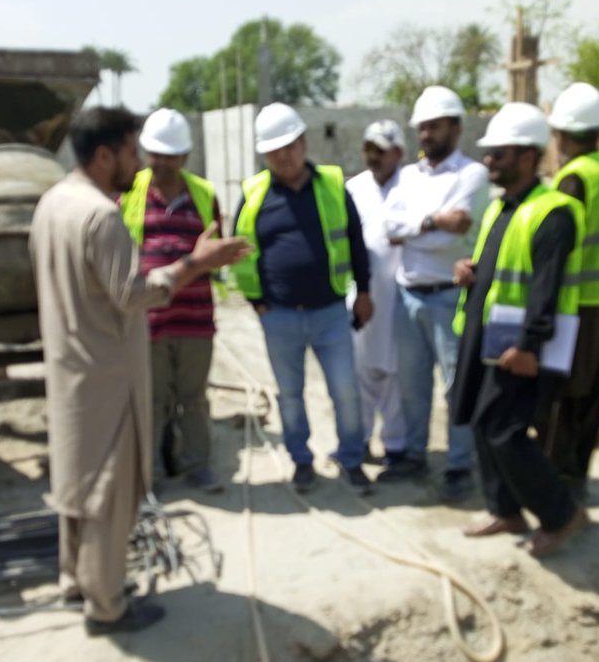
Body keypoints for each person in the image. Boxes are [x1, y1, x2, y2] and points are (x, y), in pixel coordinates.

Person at [29, 107, 248, 635]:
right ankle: (106, 605)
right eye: (132, 152)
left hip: (69, 367)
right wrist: (196, 264)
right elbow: (132, 294)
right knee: (111, 490)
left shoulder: (52, 203)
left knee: (78, 484)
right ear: (105, 155)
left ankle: (76, 580)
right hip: (106, 373)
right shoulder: (100, 215)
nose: (139, 163)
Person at [450, 103, 589, 557]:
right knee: (478, 421)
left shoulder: (553, 213)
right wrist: (473, 271)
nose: (489, 161)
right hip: (488, 337)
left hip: (522, 347)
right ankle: (504, 508)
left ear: (528, 157)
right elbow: (503, 265)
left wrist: (530, 345)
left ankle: (561, 514)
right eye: (490, 154)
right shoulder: (503, 207)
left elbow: (546, 287)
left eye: (500, 154)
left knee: (505, 432)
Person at [232, 103, 373, 495]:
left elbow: (356, 241)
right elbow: (240, 252)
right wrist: (257, 302)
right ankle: (302, 461)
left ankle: (351, 458)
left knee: (345, 389)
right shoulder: (254, 196)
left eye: (290, 146)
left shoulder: (331, 186)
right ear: (264, 154)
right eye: (275, 149)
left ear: (304, 142)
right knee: (290, 396)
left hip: (330, 312)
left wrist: (363, 290)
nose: (284, 155)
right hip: (279, 316)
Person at [380, 85, 489, 501]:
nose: (427, 134)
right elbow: (390, 229)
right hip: (408, 294)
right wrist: (431, 223)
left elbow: (458, 228)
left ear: (455, 128)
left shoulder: (471, 174)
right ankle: (413, 455)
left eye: (435, 125)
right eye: (422, 127)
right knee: (412, 384)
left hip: (449, 295)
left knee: (455, 385)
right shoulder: (407, 176)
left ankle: (460, 464)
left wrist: (415, 228)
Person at [537, 83, 599, 500]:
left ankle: (554, 479)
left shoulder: (575, 178)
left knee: (561, 397)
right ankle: (577, 475)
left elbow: (558, 245)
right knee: (592, 393)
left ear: (561, 134)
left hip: (575, 306)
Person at [119, 108, 224, 493]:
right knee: (152, 401)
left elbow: (213, 254)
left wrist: (198, 262)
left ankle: (199, 466)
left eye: (170, 156)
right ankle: (152, 475)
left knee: (193, 399)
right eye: (155, 155)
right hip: (148, 319)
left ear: (185, 157)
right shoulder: (130, 192)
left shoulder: (204, 194)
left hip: (195, 318)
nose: (161, 163)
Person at [345, 119, 408, 468]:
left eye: (380, 151)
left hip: (400, 297)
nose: (373, 157)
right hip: (363, 294)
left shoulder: (411, 185)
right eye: (369, 150)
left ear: (398, 153)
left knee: (396, 375)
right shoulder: (353, 188)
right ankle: (360, 440)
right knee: (362, 371)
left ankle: (396, 447)